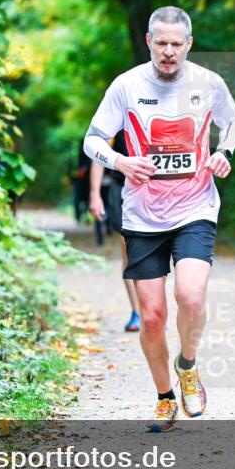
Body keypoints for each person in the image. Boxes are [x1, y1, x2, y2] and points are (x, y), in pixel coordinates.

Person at [83, 6, 235, 432]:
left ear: (189, 44)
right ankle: (164, 397)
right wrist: (121, 162)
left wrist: (223, 153)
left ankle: (187, 365)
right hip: (142, 215)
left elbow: (234, 122)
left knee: (191, 296)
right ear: (149, 41)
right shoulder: (127, 85)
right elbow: (92, 140)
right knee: (151, 316)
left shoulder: (208, 83)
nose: (169, 51)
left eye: (177, 43)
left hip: (195, 206)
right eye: (161, 43)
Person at [90, 131, 141, 332]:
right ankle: (137, 312)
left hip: (153, 189)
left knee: (155, 251)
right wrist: (95, 195)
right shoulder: (117, 114)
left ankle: (152, 308)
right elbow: (98, 155)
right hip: (122, 190)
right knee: (129, 250)